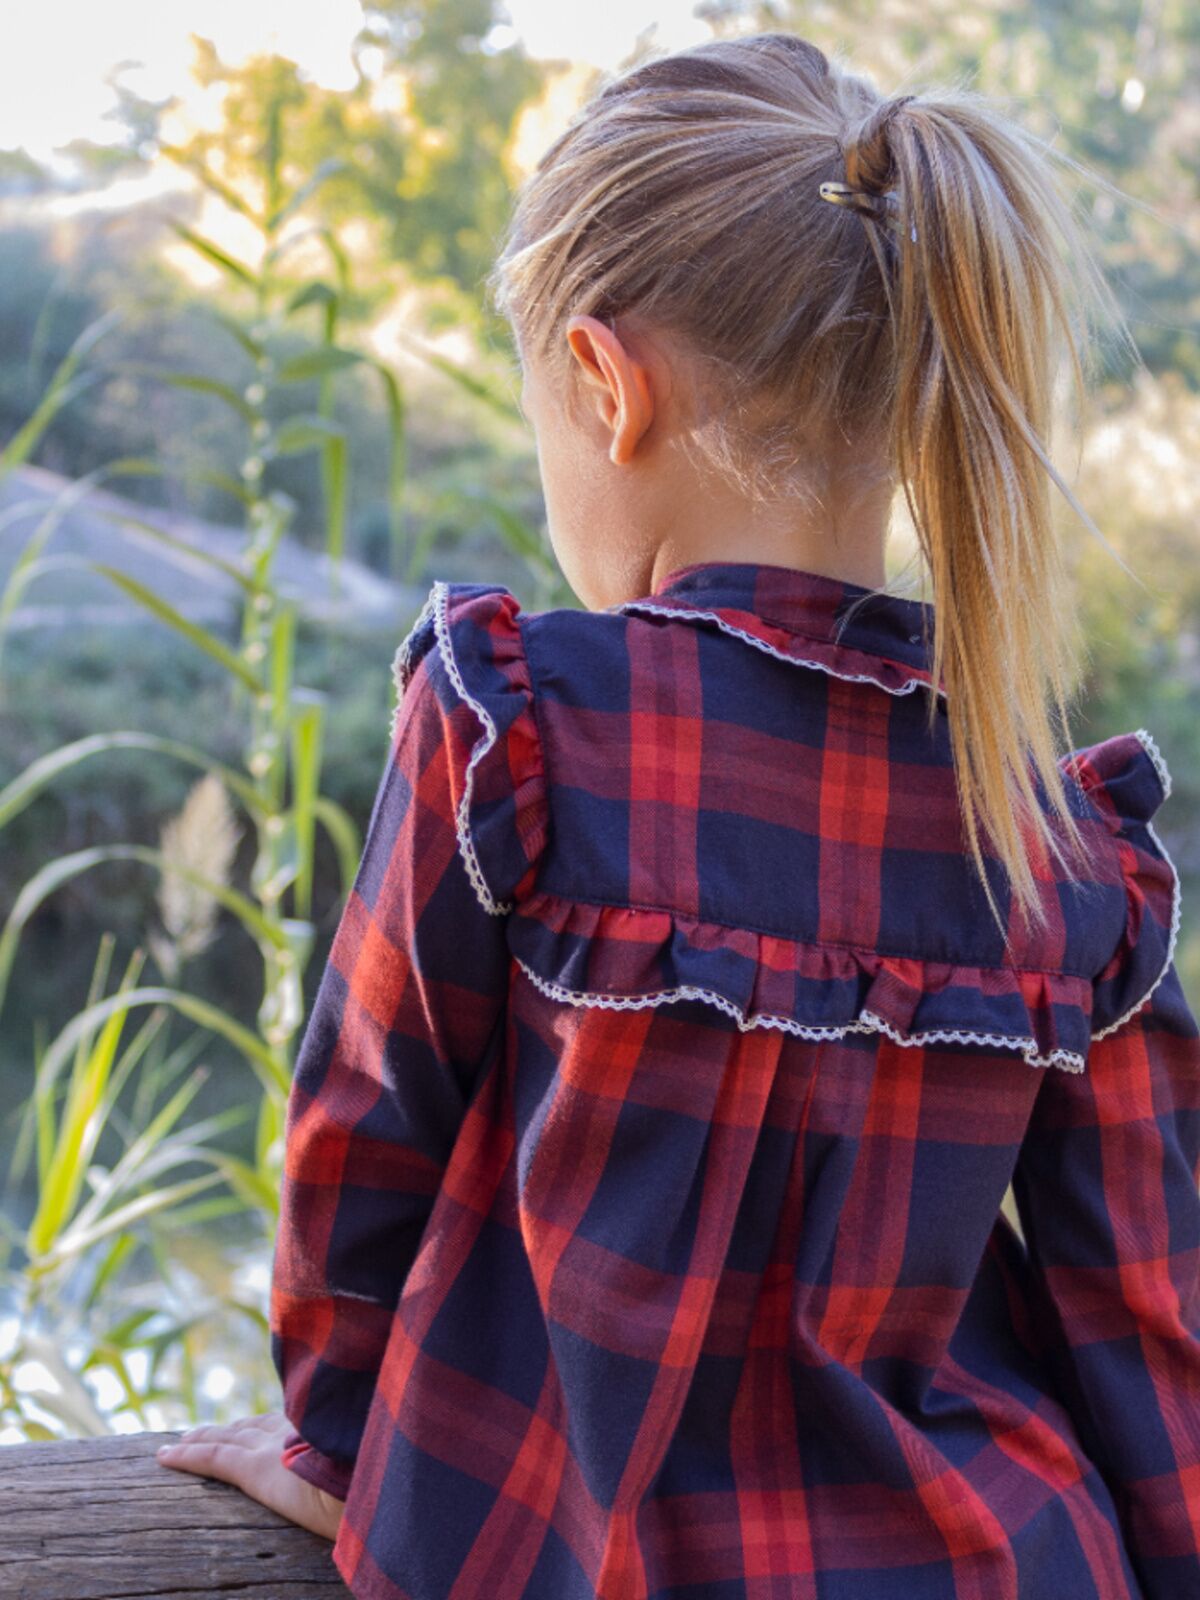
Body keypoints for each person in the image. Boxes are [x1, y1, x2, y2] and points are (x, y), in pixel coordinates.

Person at [156, 31, 1200, 1600]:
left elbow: (360, 1144)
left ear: (604, 381)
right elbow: (1146, 1306)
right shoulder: (1049, 831)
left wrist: (341, 1451)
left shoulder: (520, 723)